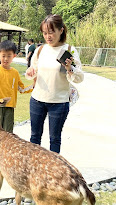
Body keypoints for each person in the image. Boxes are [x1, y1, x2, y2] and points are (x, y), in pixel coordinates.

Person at [26, 14, 84, 153]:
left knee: (55, 139)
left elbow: (79, 78)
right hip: (37, 100)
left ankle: (53, 172)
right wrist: (30, 72)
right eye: (45, 33)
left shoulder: (69, 50)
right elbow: (33, 70)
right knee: (34, 137)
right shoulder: (40, 50)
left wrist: (70, 68)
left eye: (51, 32)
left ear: (61, 30)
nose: (48, 36)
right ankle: (34, 170)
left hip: (59, 103)